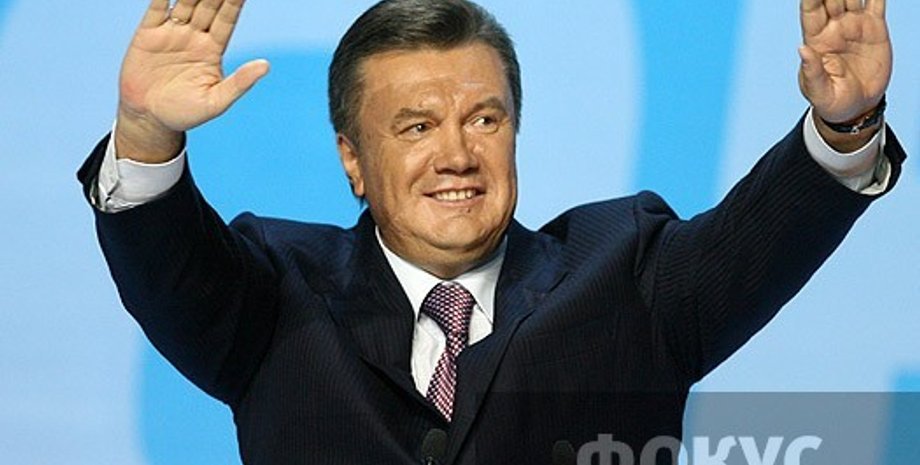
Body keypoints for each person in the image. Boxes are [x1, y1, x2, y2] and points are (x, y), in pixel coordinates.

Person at [77, 0, 905, 463]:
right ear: (352, 159)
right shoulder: (275, 293)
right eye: (415, 126)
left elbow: (764, 237)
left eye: (484, 118)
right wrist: (145, 132)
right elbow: (168, 265)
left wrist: (844, 123)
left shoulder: (627, 272)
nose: (457, 154)